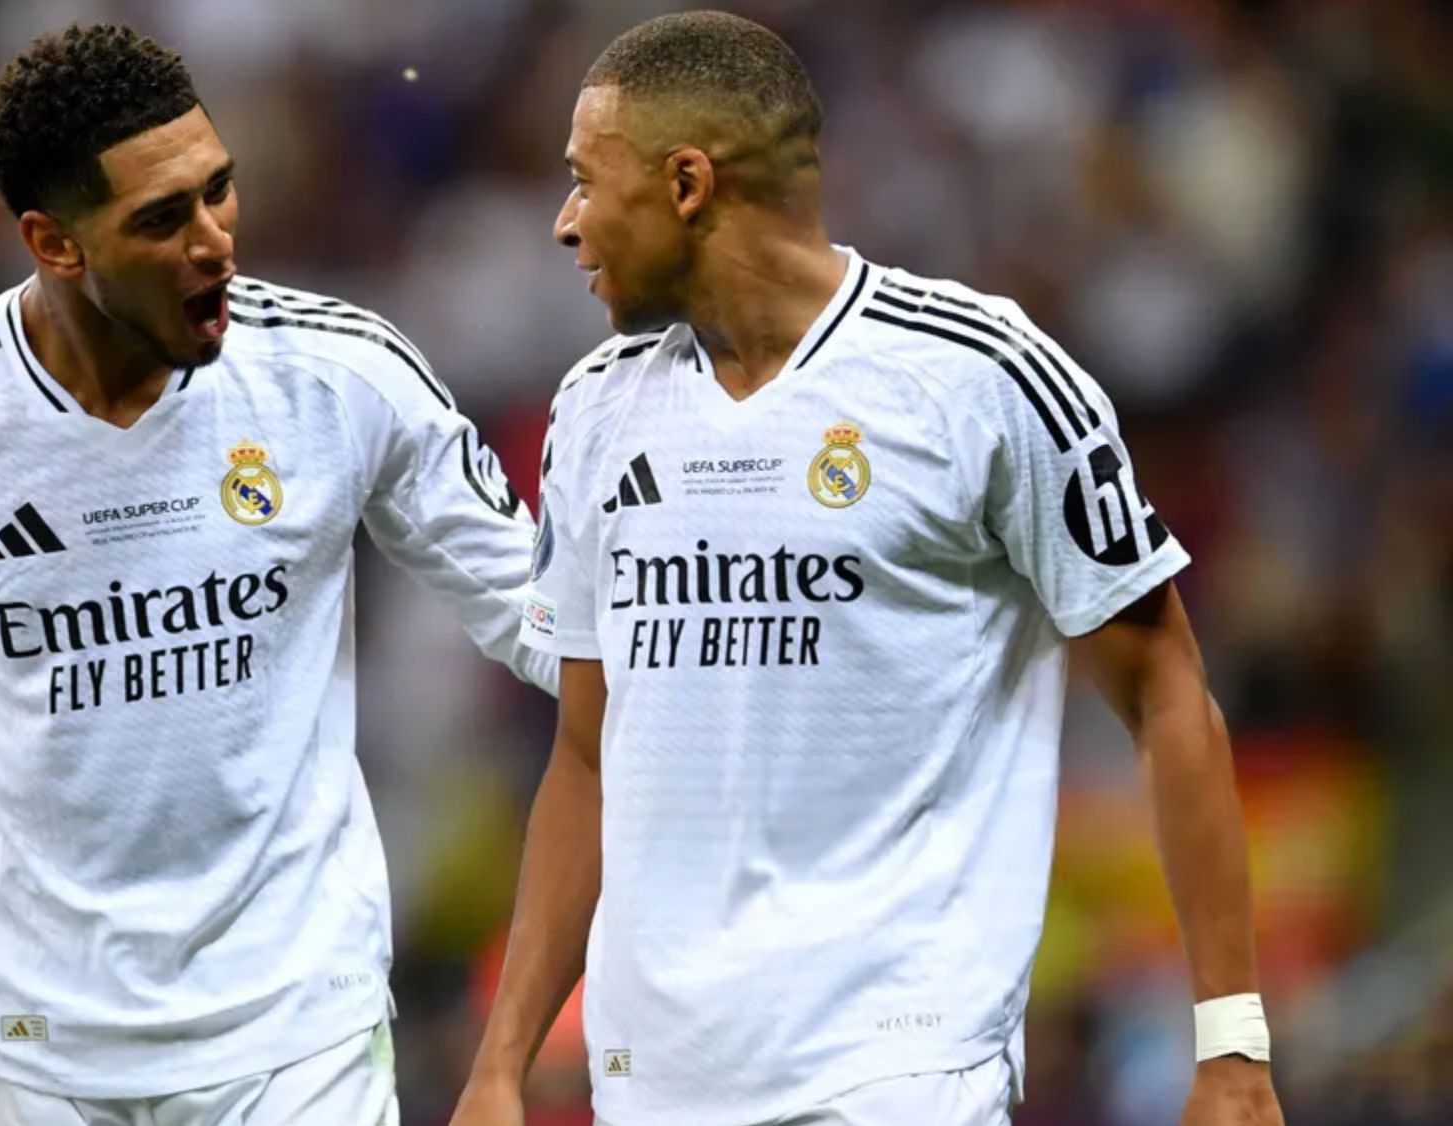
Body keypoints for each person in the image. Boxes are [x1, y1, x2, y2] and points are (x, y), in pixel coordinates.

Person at [0, 23, 556, 1126]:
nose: (214, 242)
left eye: (218, 190)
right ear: (53, 243)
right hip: (37, 1057)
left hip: (298, 1037)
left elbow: (550, 626)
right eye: (161, 219)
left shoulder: (340, 377)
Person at [451, 12, 1285, 1126]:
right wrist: (501, 1063)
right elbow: (585, 756)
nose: (564, 223)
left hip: (897, 1073)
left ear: (686, 183)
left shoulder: (979, 378)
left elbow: (1167, 691)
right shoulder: (596, 410)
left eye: (583, 182)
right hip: (653, 1080)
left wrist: (1231, 1043)